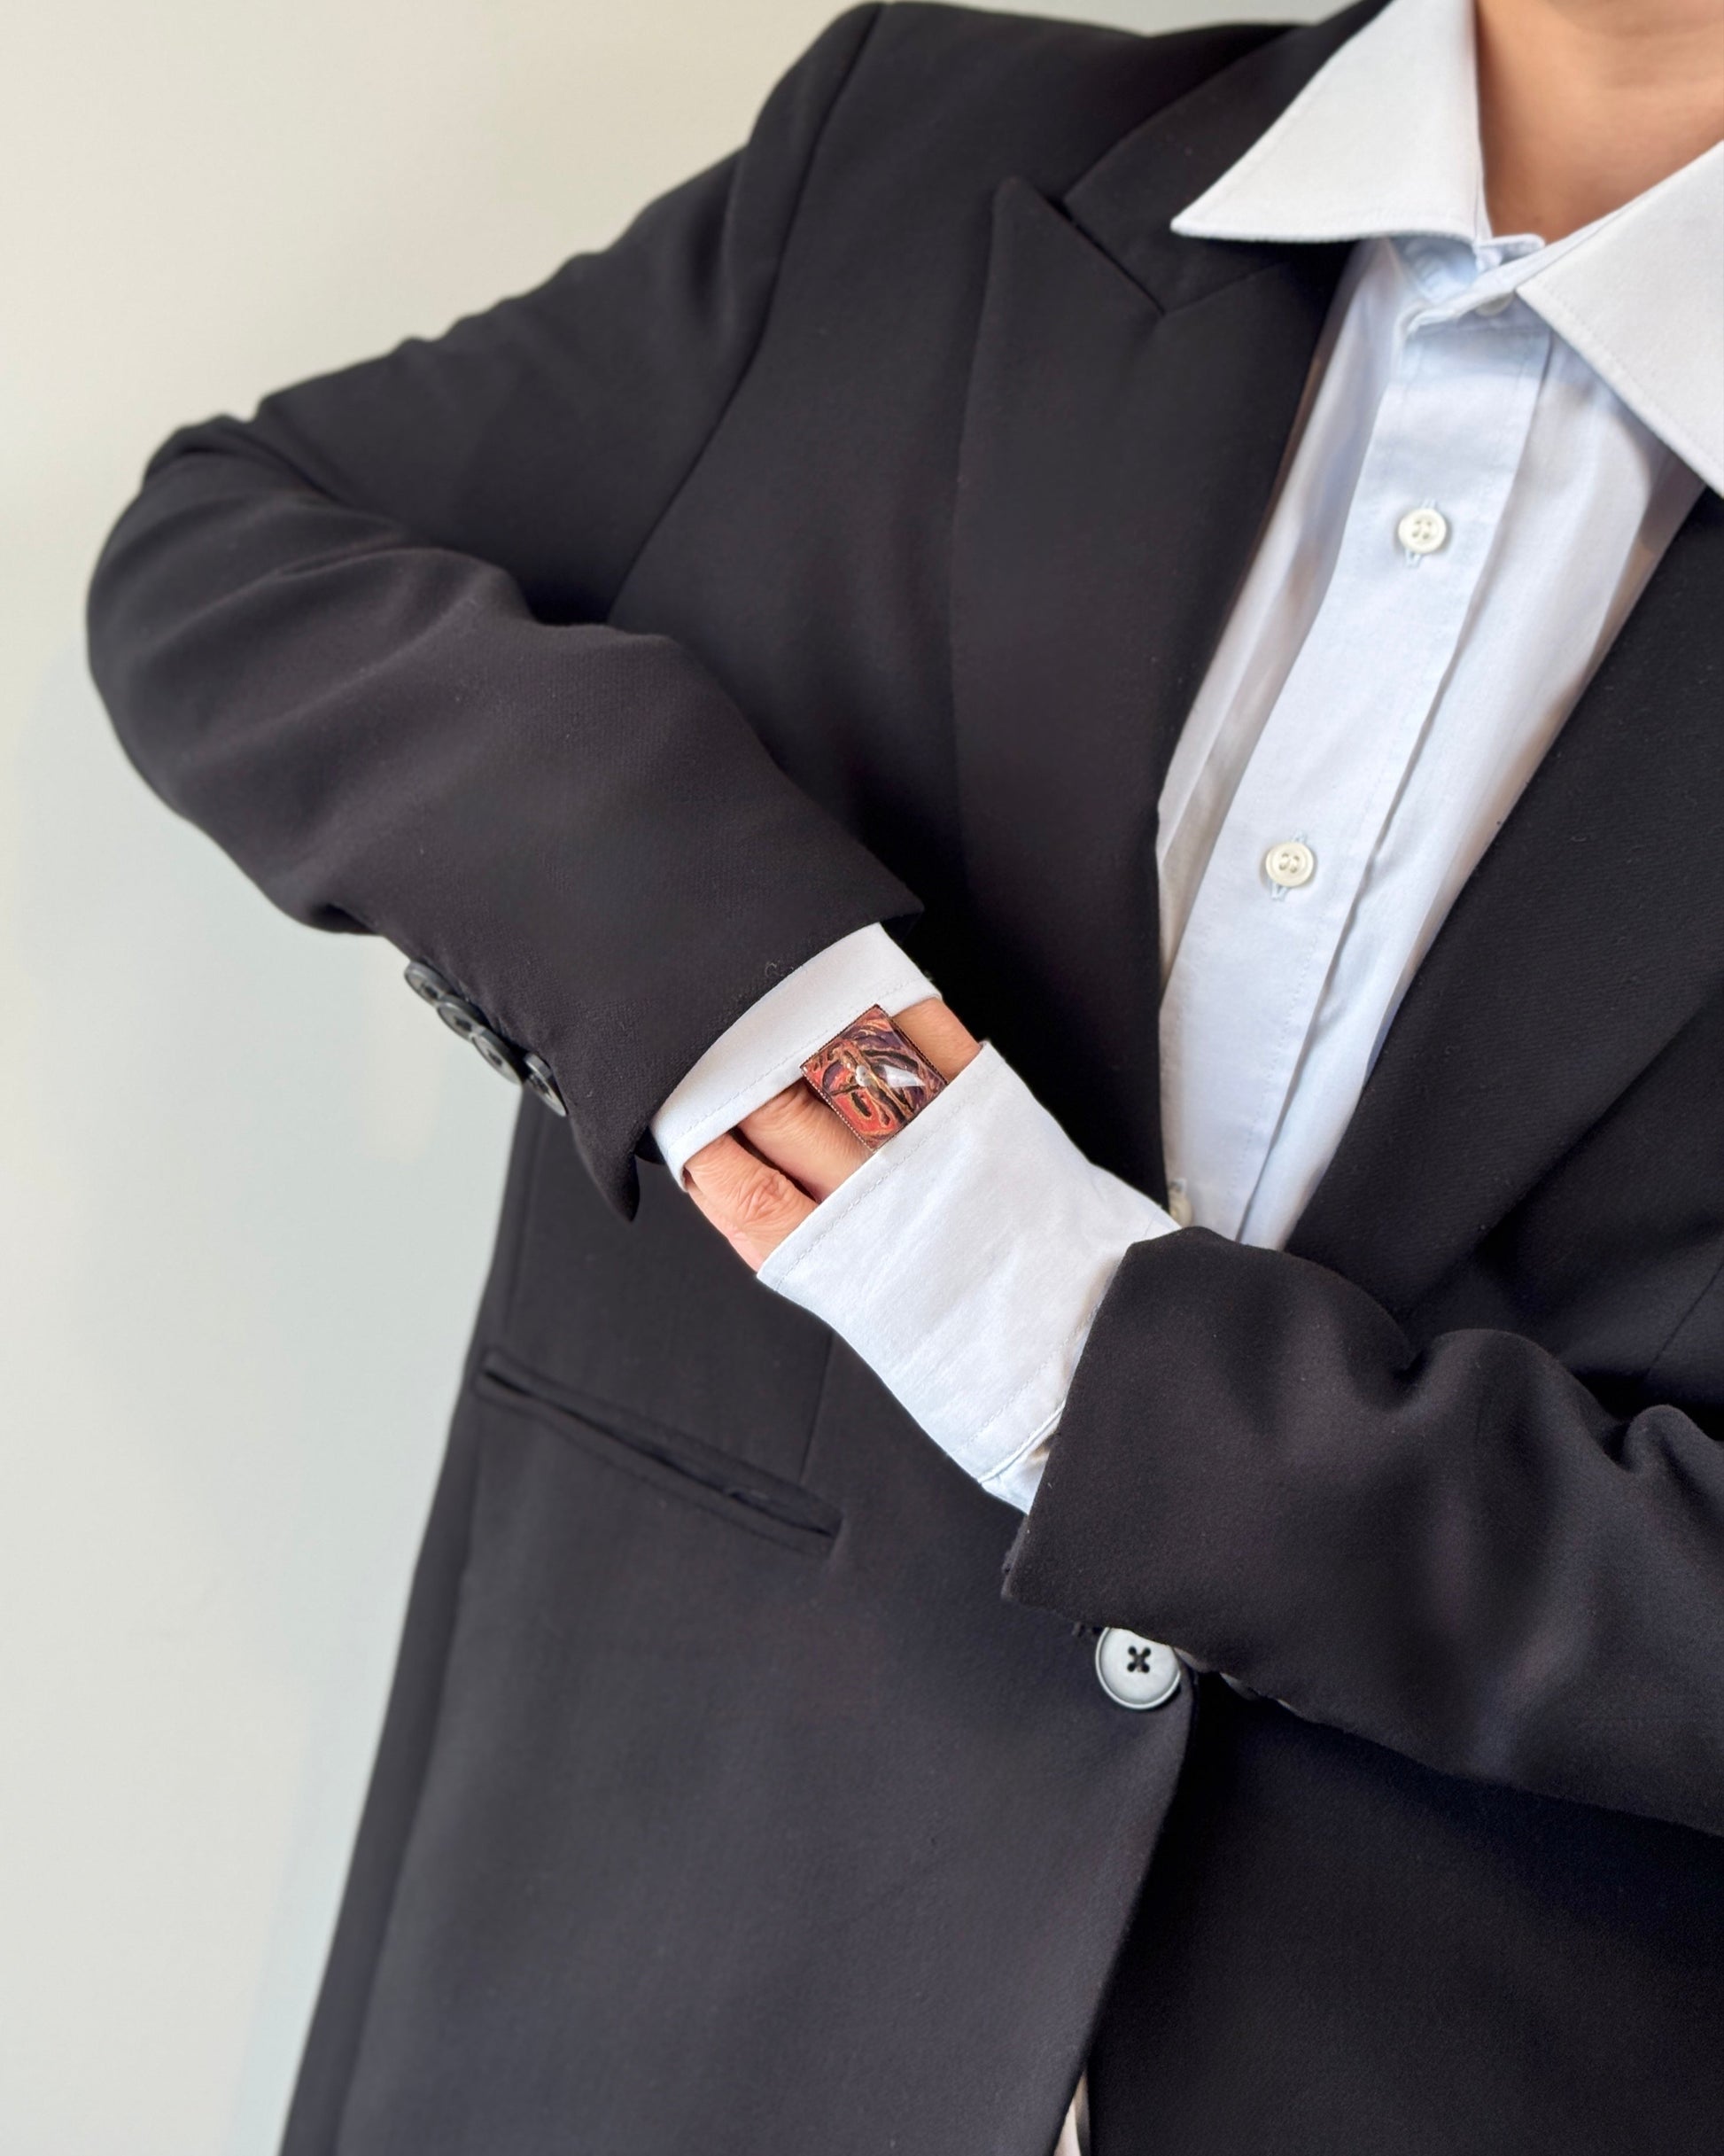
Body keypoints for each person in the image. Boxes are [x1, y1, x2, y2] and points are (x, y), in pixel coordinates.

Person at [87, 0, 1723, 2147]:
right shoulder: (921, 152)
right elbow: (240, 549)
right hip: (625, 2004)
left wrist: (1049, 1317)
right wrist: (748, 1008)